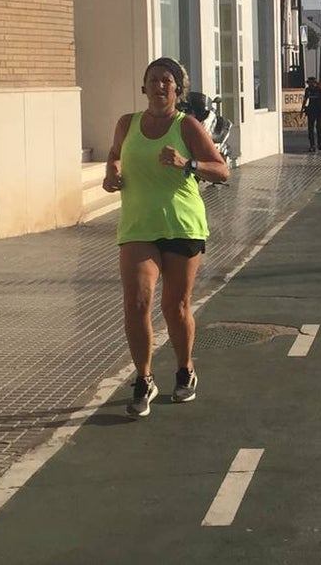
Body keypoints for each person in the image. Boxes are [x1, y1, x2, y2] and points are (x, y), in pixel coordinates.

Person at [102, 57, 230, 418]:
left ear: (177, 90)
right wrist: (112, 172)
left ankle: (184, 368)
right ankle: (143, 379)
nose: (159, 86)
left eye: (167, 81)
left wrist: (186, 164)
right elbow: (115, 155)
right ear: (144, 87)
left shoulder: (186, 126)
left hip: (182, 226)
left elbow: (222, 170)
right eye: (153, 80)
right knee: (136, 303)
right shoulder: (126, 124)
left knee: (175, 308)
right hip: (138, 227)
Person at [301, 76, 321, 153]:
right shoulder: (307, 90)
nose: (310, 84)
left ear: (315, 83)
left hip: (319, 111)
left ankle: (319, 143)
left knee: (319, 128)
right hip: (310, 111)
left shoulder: (320, 90)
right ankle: (312, 145)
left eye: (311, 82)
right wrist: (302, 110)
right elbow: (305, 100)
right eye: (309, 83)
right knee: (310, 129)